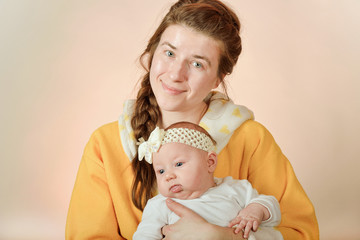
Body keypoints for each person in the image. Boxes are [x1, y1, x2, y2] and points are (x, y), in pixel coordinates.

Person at [65, 0, 319, 239]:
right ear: (153, 54)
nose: (175, 74)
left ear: (218, 79)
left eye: (197, 64)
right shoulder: (105, 144)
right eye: (169, 53)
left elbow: (302, 232)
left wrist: (224, 236)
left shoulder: (251, 139)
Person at [133, 122, 282, 240]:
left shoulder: (235, 189)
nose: (168, 176)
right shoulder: (160, 205)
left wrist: (255, 211)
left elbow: (272, 210)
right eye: (161, 171)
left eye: (178, 164)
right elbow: (144, 236)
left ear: (210, 162)